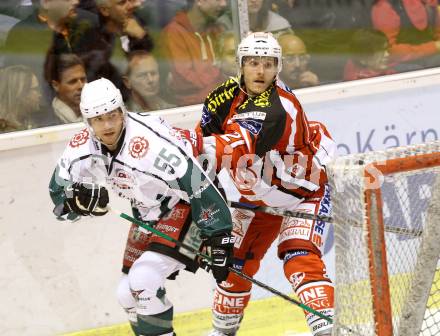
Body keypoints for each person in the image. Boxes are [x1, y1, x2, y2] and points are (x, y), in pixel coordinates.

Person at [48, 77, 234, 336]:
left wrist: (219, 234)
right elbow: (58, 195)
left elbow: (197, 182)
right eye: (99, 119)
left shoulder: (150, 146)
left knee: (144, 280)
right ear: (87, 123)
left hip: (189, 203)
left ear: (122, 111)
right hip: (147, 212)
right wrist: (76, 202)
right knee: (126, 293)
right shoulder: (81, 148)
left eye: (113, 115)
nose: (108, 125)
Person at [198, 32, 336, 336]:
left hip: (302, 192)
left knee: (298, 256)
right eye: (253, 63)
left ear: (279, 68)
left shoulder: (278, 107)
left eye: (268, 64)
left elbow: (232, 146)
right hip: (259, 195)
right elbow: (201, 152)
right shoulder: (223, 97)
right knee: (233, 262)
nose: (260, 71)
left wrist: (181, 148)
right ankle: (223, 331)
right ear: (240, 65)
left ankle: (328, 330)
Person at [161, 0, 227, 106]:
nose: (224, 4)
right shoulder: (174, 32)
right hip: (191, 108)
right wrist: (221, 81)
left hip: (218, 100)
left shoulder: (214, 29)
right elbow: (184, 79)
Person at [371, 0, 440, 72]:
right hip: (402, 65)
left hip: (430, 57)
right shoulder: (384, 8)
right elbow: (389, 51)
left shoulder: (428, 3)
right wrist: (433, 47)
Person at [45, 53, 87, 123]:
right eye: (73, 82)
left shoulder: (96, 112)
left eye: (83, 79)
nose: (81, 86)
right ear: (56, 85)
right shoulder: (46, 121)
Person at [0, 65, 43, 132]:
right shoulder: (7, 134)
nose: (40, 94)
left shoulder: (27, 121)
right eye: (35, 89)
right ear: (19, 93)